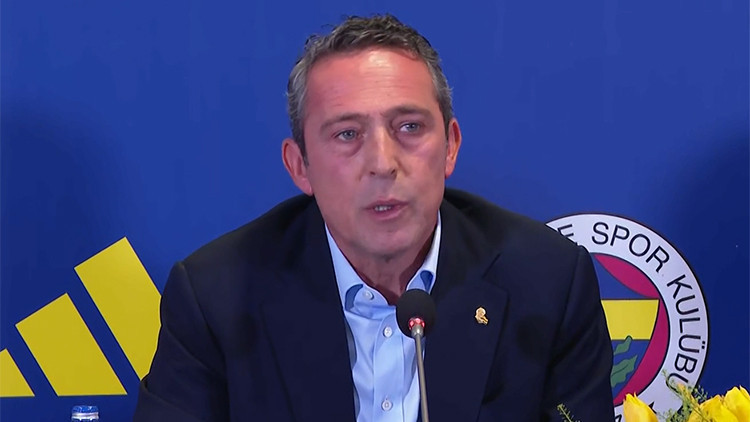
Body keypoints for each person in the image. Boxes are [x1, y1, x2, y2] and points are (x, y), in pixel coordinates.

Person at [133, 14, 613, 422]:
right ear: (300, 167)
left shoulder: (547, 283)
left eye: (409, 127)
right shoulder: (216, 298)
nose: (383, 163)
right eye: (347, 134)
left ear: (451, 146)